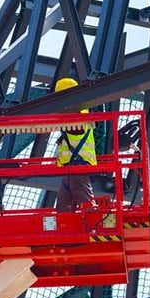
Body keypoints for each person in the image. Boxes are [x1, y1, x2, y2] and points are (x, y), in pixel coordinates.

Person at [53, 77, 97, 212]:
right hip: (70, 171)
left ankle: (93, 223)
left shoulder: (77, 118)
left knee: (85, 202)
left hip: (78, 167)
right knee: (62, 208)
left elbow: (70, 115)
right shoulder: (75, 118)